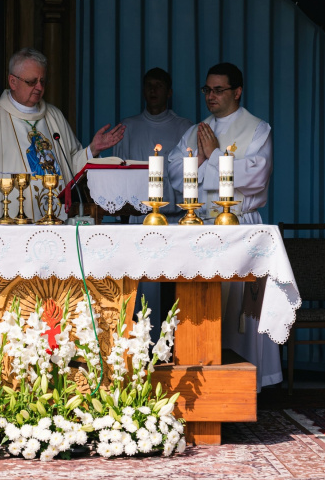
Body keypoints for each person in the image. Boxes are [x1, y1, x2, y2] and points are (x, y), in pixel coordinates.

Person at [168, 62, 279, 392]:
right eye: (207, 89)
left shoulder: (258, 129)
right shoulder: (196, 130)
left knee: (242, 315)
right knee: (203, 308)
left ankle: (247, 387)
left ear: (237, 91)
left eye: (218, 89)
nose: (211, 96)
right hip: (200, 227)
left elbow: (255, 177)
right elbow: (175, 174)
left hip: (241, 228)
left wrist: (212, 157)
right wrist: (204, 162)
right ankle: (204, 384)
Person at [0, 47, 125, 222]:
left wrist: (92, 149)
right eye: (32, 81)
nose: (39, 87)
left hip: (56, 220)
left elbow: (70, 165)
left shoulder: (54, 116)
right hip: (13, 225)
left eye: (43, 81)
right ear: (13, 82)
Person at [114, 67, 193, 336]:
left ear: (169, 92)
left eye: (159, 86)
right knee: (142, 291)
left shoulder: (184, 127)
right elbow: (119, 175)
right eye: (149, 85)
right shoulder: (128, 127)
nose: (153, 90)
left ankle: (170, 347)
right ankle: (142, 345)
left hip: (174, 220)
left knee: (175, 290)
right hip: (138, 220)